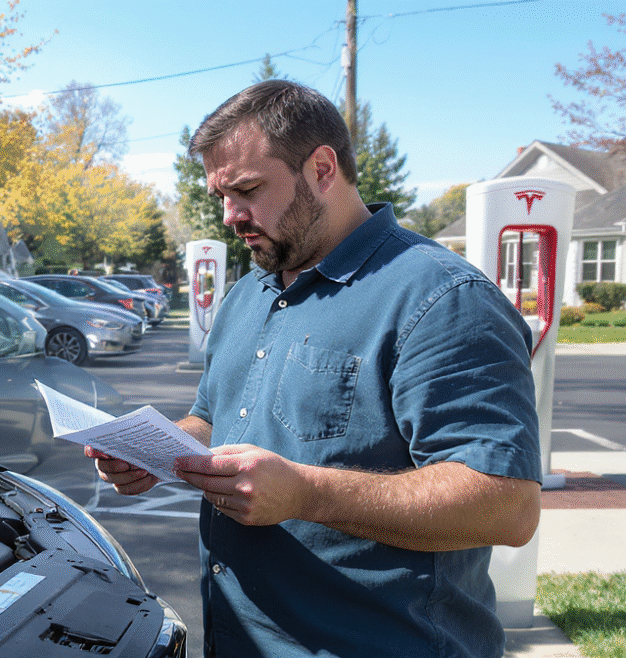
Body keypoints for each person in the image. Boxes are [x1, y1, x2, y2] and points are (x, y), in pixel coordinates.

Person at [88, 80, 541, 657]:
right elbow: (213, 417)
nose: (230, 216)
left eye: (248, 189)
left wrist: (306, 493)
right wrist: (156, 449)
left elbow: (506, 504)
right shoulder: (249, 292)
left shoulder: (444, 299)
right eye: (220, 196)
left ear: (323, 169)